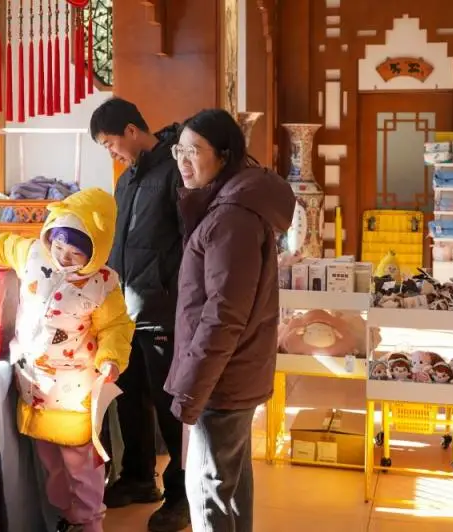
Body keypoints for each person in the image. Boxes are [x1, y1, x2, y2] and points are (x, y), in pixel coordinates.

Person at [0, 187, 135, 532]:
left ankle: (89, 521)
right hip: (34, 383)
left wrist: (111, 358)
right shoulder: (32, 254)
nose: (63, 257)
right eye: (58, 247)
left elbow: (116, 326)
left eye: (74, 254)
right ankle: (66, 516)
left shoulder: (103, 284)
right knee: (49, 458)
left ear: (95, 252)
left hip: (75, 389)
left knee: (79, 460)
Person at [164, 108, 295, 532]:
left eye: (194, 151)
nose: (184, 161)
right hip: (232, 372)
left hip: (222, 378)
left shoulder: (230, 218)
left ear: (223, 156)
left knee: (207, 491)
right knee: (230, 486)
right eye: (178, 150)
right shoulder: (230, 206)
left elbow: (224, 316)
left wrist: (191, 388)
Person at [89, 97, 188, 532]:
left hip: (163, 308)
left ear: (132, 131)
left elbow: (188, 241)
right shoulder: (128, 179)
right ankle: (137, 477)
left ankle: (182, 493)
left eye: (111, 144)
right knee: (127, 394)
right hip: (127, 309)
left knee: (169, 405)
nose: (112, 153)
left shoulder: (175, 171)